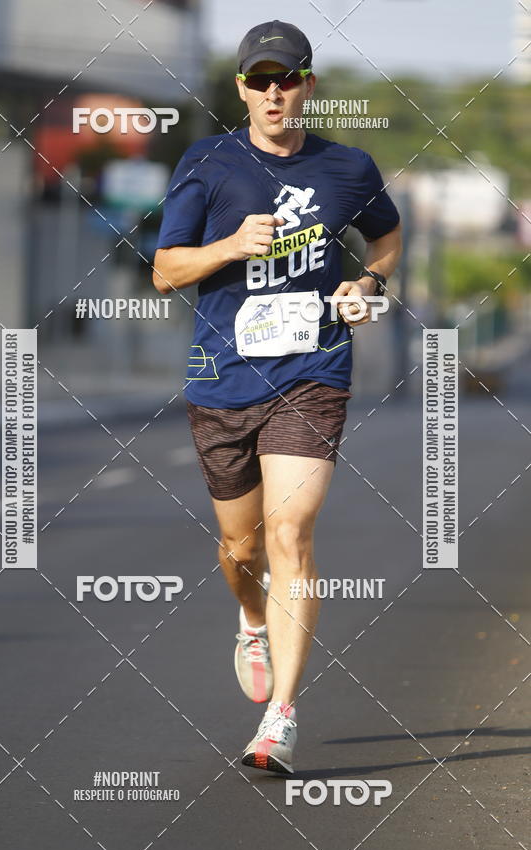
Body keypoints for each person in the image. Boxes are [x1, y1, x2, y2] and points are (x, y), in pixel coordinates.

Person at [153, 20, 402, 774]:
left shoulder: (349, 168)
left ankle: (280, 718)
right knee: (243, 547)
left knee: (291, 531)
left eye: (285, 78)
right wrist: (231, 247)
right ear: (241, 89)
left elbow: (386, 238)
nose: (272, 92)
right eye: (259, 80)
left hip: (313, 371)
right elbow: (165, 269)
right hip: (222, 378)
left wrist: (368, 285)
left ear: (307, 86)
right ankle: (251, 617)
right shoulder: (207, 163)